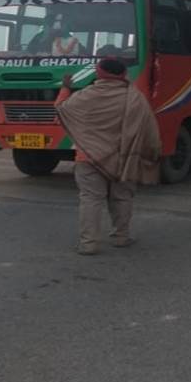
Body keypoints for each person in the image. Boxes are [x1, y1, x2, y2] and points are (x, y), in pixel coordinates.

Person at [55, 58, 161, 255]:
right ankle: (121, 237)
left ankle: (88, 244)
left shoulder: (86, 95)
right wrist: (152, 154)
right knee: (122, 198)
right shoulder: (135, 97)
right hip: (125, 158)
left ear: (99, 73)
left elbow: (61, 109)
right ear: (123, 74)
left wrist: (65, 88)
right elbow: (150, 130)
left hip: (89, 157)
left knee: (91, 199)